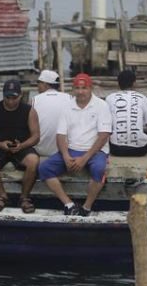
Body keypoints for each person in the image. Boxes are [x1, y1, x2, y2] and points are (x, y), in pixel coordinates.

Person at [38, 73, 111, 216]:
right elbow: (60, 135)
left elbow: (103, 136)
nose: (80, 91)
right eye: (77, 88)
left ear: (91, 88)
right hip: (72, 149)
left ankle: (87, 207)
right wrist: (66, 156)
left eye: (84, 88)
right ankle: (68, 204)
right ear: (73, 89)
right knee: (44, 168)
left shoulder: (102, 106)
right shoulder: (67, 106)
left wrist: (84, 158)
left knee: (99, 170)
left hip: (95, 151)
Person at [0, 80, 41, 213]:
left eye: (14, 97)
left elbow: (36, 136)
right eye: (8, 97)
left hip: (22, 146)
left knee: (33, 161)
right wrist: (0, 144)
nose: (11, 101)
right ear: (3, 95)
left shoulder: (29, 110)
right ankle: (2, 195)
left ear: (20, 95)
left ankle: (24, 197)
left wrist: (22, 145)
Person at [105, 69, 147, 156]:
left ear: (118, 84)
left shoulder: (109, 98)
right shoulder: (143, 98)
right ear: (134, 83)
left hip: (115, 149)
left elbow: (105, 126)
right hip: (140, 150)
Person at [31, 69, 71, 156]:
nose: (37, 85)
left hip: (40, 150)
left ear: (45, 84)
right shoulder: (69, 98)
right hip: (65, 149)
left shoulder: (35, 100)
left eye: (39, 82)